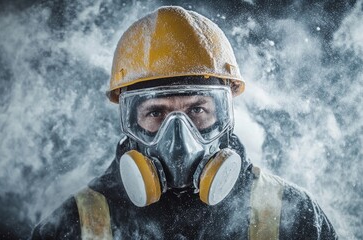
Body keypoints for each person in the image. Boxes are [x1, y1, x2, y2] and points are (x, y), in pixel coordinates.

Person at [30, 6, 337, 240]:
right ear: (129, 120)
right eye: (155, 113)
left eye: (197, 109)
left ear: (225, 113)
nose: (178, 138)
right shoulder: (74, 224)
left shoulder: (295, 217)